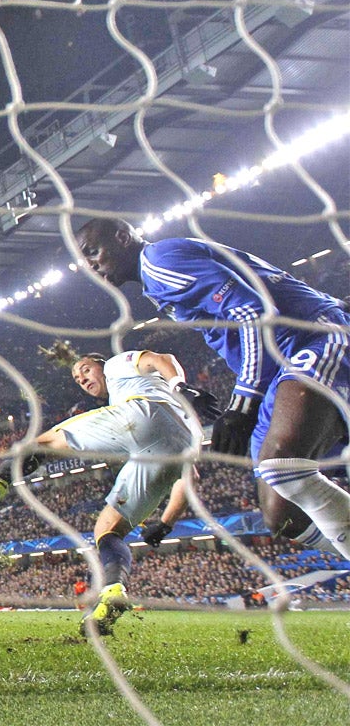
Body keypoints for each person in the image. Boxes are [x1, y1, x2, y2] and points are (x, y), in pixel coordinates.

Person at [75, 218, 350, 561]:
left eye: (93, 252)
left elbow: (252, 310)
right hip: (278, 368)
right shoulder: (155, 278)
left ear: (121, 237)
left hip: (310, 338)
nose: (90, 264)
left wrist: (243, 403)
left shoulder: (161, 261)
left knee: (281, 465)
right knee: (281, 515)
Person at [0, 349, 219, 634]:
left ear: (100, 365)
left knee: (40, 444)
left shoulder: (115, 366)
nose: (82, 378)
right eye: (76, 378)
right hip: (176, 451)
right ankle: (113, 590)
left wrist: (180, 385)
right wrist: (164, 524)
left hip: (142, 414)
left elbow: (161, 358)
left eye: (85, 370)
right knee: (108, 528)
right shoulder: (190, 422)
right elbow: (189, 479)